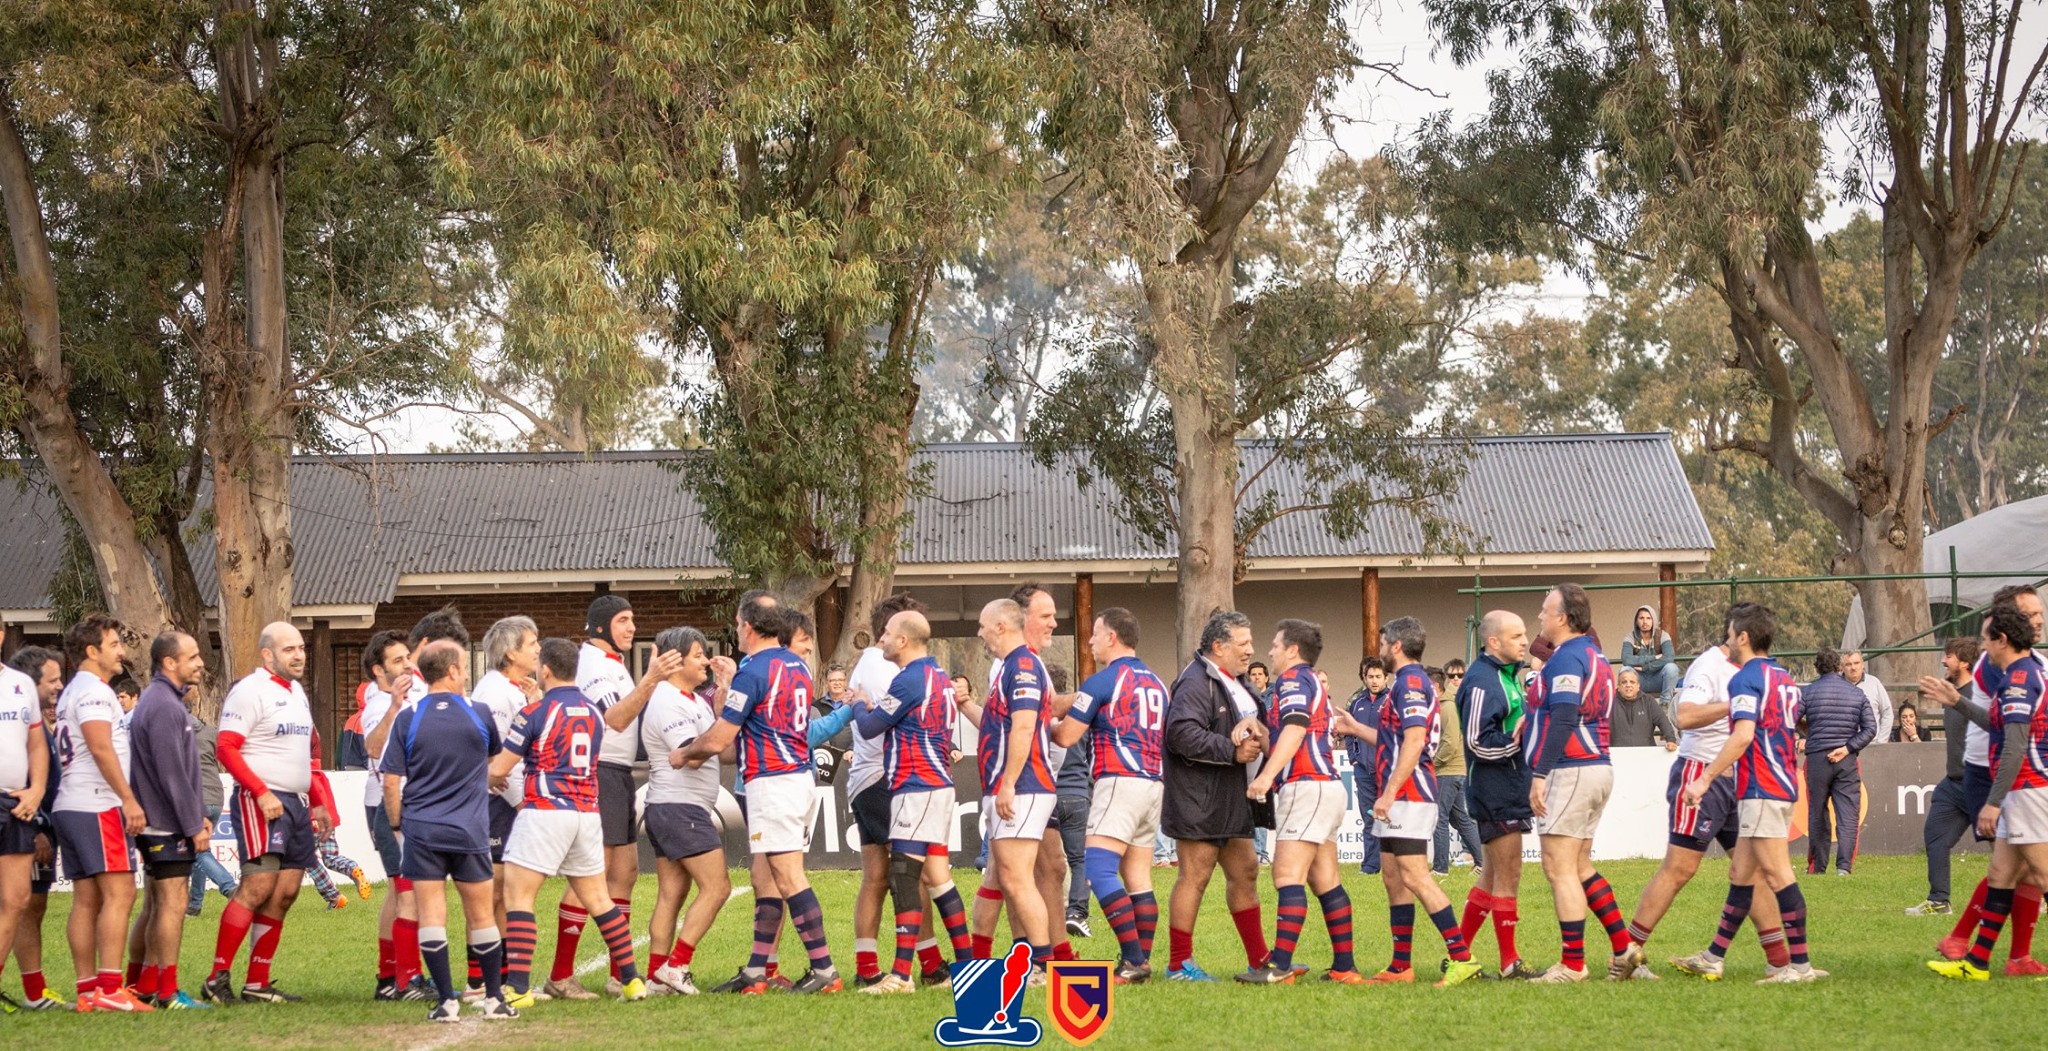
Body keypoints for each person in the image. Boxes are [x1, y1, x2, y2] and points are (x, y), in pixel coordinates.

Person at [684, 594, 840, 993]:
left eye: (737, 623)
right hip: (794, 776)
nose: (737, 630)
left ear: (747, 626)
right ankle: (757, 971)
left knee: (788, 877)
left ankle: (825, 971)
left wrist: (683, 753)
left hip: (774, 780)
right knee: (763, 875)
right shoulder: (797, 665)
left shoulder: (753, 671)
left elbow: (721, 737)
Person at [1620, 636, 1786, 979]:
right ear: (1739, 636)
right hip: (1700, 773)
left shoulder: (1749, 670)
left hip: (1735, 779)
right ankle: (1625, 955)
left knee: (1753, 872)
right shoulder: (1709, 666)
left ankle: (1780, 962)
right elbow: (1685, 715)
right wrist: (1733, 705)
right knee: (1679, 868)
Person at [1676, 602, 1824, 983]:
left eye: (1729, 636)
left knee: (1778, 875)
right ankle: (1714, 956)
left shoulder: (1744, 678)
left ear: (1743, 637)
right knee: (1741, 872)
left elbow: (1742, 736)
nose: (1726, 643)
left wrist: (1704, 778)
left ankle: (1800, 967)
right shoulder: (1784, 677)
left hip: (1762, 786)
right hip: (1779, 782)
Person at [494, 637, 647, 1006]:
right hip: (586, 813)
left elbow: (500, 768)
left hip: (545, 810)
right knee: (598, 897)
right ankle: (631, 980)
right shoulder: (594, 712)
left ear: (544, 670)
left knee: (518, 895)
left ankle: (516, 989)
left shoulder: (534, 713)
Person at [381, 639, 518, 1021]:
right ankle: (494, 999)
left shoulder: (408, 718)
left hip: (423, 831)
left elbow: (390, 782)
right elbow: (493, 764)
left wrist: (397, 827)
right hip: (471, 830)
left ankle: (446, 1002)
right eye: (464, 666)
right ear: (454, 671)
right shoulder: (478, 713)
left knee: (431, 914)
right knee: (481, 915)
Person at [204, 621, 339, 1006]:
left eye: (300, 648)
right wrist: (260, 792)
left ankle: (257, 984)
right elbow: (226, 748)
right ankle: (217, 978)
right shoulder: (249, 691)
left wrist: (316, 800)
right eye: (289, 650)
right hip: (260, 801)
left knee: (285, 893)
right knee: (258, 887)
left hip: (295, 802)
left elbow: (301, 755)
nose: (298, 655)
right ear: (267, 654)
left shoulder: (297, 692)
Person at [1343, 618, 1483, 986]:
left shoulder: (1411, 683)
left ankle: (1462, 958)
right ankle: (1400, 965)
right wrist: (1355, 728)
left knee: (1416, 876)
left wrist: (1389, 793)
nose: (1381, 648)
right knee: (1393, 877)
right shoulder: (1407, 684)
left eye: (1384, 642)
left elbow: (1416, 740)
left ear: (1398, 646)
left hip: (1409, 794)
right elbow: (1395, 739)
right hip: (1401, 794)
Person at [1922, 583, 2048, 974]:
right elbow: (1996, 722)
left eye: (1985, 639)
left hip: (2025, 787)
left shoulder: (2017, 678)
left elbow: (2013, 745)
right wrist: (1956, 701)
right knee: (2003, 872)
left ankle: (1982, 951)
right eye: (2033, 614)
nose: (1981, 647)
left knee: (2041, 873)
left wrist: (1994, 803)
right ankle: (1977, 962)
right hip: (2016, 785)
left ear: (2003, 638)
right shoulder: (2016, 670)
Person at [1237, 619, 1367, 985]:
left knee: (1285, 875)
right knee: (1325, 879)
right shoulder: (1312, 683)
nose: (1270, 651)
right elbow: (1287, 735)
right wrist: (1258, 729)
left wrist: (1264, 777)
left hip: (1306, 786)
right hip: (1326, 786)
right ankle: (1345, 967)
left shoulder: (1293, 680)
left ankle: (1279, 967)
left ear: (1292, 650)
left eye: (1275, 645)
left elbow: (1294, 728)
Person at [853, 610, 973, 993]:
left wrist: (858, 703)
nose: (882, 639)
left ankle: (901, 975)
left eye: (887, 634)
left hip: (915, 785)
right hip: (938, 783)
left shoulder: (908, 680)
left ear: (903, 641)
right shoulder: (938, 675)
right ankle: (967, 967)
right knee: (937, 879)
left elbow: (871, 727)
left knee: (903, 876)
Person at [1051, 607, 1166, 984]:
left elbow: (1066, 737)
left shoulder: (1102, 681)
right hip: (1152, 783)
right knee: (1138, 876)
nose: (1090, 640)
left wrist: (1041, 722)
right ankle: (1140, 962)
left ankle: (1133, 960)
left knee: (1099, 870)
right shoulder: (1157, 682)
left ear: (1112, 637)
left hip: (1118, 779)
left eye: (1095, 634)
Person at [575, 594, 683, 997]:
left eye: (633, 619)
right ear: (601, 626)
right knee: (594, 873)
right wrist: (651, 678)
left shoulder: (612, 664)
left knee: (624, 873)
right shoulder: (593, 666)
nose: (631, 627)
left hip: (617, 773)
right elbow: (615, 719)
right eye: (623, 620)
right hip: (599, 770)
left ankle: (619, 972)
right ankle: (562, 973)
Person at [1525, 583, 1630, 983]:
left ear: (1563, 618)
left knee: (1558, 868)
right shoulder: (1594, 655)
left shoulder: (1567, 658)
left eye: (1544, 610)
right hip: (1596, 765)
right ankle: (1624, 951)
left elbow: (1566, 716)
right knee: (1580, 865)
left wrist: (1539, 772)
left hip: (1572, 768)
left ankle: (1572, 964)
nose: (1539, 617)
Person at [1160, 610, 1269, 983]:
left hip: (1230, 797)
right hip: (1199, 798)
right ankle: (1178, 964)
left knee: (1247, 871)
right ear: (1218, 646)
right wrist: (1231, 751)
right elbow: (1180, 735)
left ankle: (1260, 961)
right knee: (1195, 876)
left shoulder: (1236, 681)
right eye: (1243, 644)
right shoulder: (1195, 681)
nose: (1250, 651)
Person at [51, 614, 152, 1012]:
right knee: (120, 892)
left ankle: (88, 991)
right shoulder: (94, 692)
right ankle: (110, 989)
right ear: (92, 652)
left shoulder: (74, 690)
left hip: (71, 803)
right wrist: (127, 798)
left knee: (87, 898)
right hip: (96, 802)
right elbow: (100, 746)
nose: (121, 651)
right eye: (113, 645)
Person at [368, 610, 469, 1002]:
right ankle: (407, 980)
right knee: (408, 894)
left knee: (398, 894)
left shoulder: (420, 698)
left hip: (406, 807)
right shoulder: (386, 702)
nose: (407, 663)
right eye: (399, 659)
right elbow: (375, 751)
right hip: (394, 807)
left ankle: (389, 977)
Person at [961, 598, 1059, 978]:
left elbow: (1023, 727)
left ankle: (1042, 964)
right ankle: (978, 965)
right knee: (999, 876)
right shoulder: (1008, 667)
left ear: (1001, 625)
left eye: (984, 625)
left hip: (1024, 786)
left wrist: (1009, 784)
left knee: (1017, 878)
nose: (980, 632)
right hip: (1013, 785)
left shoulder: (1022, 666)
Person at [844, 593, 938, 988]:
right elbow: (881, 721)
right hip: (887, 778)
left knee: (875, 877)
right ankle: (931, 967)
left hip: (864, 781)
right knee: (917, 876)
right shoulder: (888, 668)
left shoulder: (866, 664)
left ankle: (868, 968)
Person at [638, 626, 733, 997]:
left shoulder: (692, 699)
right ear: (675, 660)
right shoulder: (668, 700)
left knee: (671, 895)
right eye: (698, 654)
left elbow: (721, 748)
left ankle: (654, 975)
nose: (706, 660)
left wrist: (725, 691)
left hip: (672, 807)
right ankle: (676, 965)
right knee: (718, 887)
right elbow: (691, 755)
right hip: (680, 807)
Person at [125, 631, 211, 1009]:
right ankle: (167, 991)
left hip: (161, 819)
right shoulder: (162, 705)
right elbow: (171, 773)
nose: (201, 662)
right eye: (192, 657)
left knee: (157, 905)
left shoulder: (163, 701)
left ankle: (142, 984)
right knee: (172, 904)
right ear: (169, 663)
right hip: (165, 823)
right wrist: (193, 824)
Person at [1453, 611, 1535, 979]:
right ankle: (1509, 962)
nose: (1525, 641)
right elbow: (1476, 742)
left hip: (1507, 785)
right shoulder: (1484, 681)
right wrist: (1517, 739)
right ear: (1494, 642)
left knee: (1490, 875)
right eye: (1516, 636)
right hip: (1495, 788)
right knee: (1509, 873)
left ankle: (1460, 956)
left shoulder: (1506, 675)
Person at [466, 616, 539, 998]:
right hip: (497, 804)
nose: (538, 649)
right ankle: (478, 978)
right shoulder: (493, 693)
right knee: (492, 890)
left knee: (507, 889)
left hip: (514, 802)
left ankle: (505, 976)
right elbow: (495, 761)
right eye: (532, 643)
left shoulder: (516, 689)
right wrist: (522, 802)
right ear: (510, 653)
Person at [3, 646, 66, 1011]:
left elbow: (43, 766)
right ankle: (33, 991)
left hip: (36, 819)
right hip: (29, 821)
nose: (59, 686)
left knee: (31, 904)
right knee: (22, 905)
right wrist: (39, 825)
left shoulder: (35, 715)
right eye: (53, 680)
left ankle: (34, 990)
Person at [1906, 638, 1985, 915]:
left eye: (1949, 656)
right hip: (1953, 784)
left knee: (2016, 852)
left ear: (1964, 662)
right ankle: (1939, 900)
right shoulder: (1949, 693)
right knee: (1935, 836)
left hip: (1981, 786)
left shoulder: (1977, 695)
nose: (1943, 660)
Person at [0, 629, 51, 1014]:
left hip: (16, 802)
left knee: (16, 900)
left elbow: (36, 743)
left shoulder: (20, 684)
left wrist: (36, 791)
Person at [1800, 647, 1876, 876]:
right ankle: (1844, 867)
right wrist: (1847, 748)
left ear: (1817, 668)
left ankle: (1818, 868)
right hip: (1846, 761)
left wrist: (1807, 732)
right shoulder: (1856, 694)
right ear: (1839, 667)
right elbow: (1871, 729)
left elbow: (1789, 718)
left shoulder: (1808, 692)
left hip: (1816, 760)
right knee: (1848, 814)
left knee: (1817, 813)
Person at [1431, 676, 1484, 873]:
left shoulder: (1446, 708)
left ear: (1435, 686)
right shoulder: (1445, 706)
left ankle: (1440, 868)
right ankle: (1482, 863)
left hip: (1448, 771)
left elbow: (1450, 743)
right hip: (1455, 770)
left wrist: (1433, 763)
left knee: (1440, 818)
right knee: (1460, 818)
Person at [1345, 658, 1390, 876]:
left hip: (1387, 770)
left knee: (1392, 817)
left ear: (1386, 678)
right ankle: (1371, 866)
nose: (1374, 681)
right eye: (1370, 676)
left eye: (1378, 677)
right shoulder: (1356, 702)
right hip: (1363, 770)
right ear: (1365, 678)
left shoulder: (1393, 700)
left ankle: (1394, 865)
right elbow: (1348, 732)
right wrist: (1354, 758)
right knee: (1369, 817)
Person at [1621, 605, 1680, 710]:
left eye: (1648, 618)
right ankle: (1629, 704)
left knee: (1672, 668)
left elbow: (1669, 657)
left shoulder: (1663, 635)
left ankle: (1665, 704)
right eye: (1641, 618)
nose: (1645, 622)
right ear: (1636, 621)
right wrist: (1652, 657)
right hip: (1639, 680)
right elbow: (1626, 659)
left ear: (1654, 620)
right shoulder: (1630, 637)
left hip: (1657, 678)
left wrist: (1646, 667)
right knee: (1625, 670)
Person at [1609, 668, 1679, 750]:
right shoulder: (1608, 702)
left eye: (1632, 682)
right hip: (1616, 755)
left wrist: (1671, 740)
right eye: (1624, 682)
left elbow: (1662, 721)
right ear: (1619, 686)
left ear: (1638, 686)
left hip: (1646, 754)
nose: (1628, 685)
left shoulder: (1648, 701)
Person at [1840, 649, 1896, 746]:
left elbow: (1887, 712)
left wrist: (1881, 741)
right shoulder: (1836, 686)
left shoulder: (1874, 683)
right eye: (1848, 664)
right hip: (1843, 747)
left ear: (1863, 664)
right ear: (1842, 667)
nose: (1853, 667)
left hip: (1872, 744)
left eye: (1856, 663)